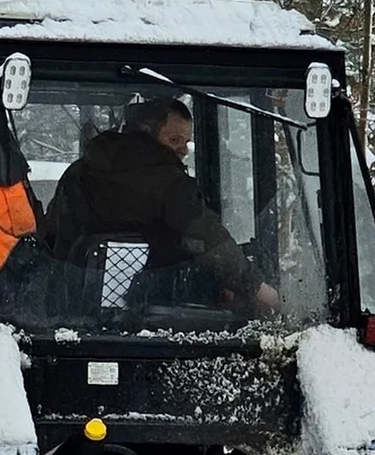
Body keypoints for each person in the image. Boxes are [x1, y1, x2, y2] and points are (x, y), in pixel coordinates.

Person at [41, 97, 278, 315]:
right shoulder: (172, 185)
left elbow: (52, 234)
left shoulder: (79, 172)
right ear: (146, 134)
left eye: (186, 141)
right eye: (174, 140)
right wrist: (257, 288)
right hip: (156, 313)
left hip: (72, 310)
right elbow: (209, 239)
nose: (184, 150)